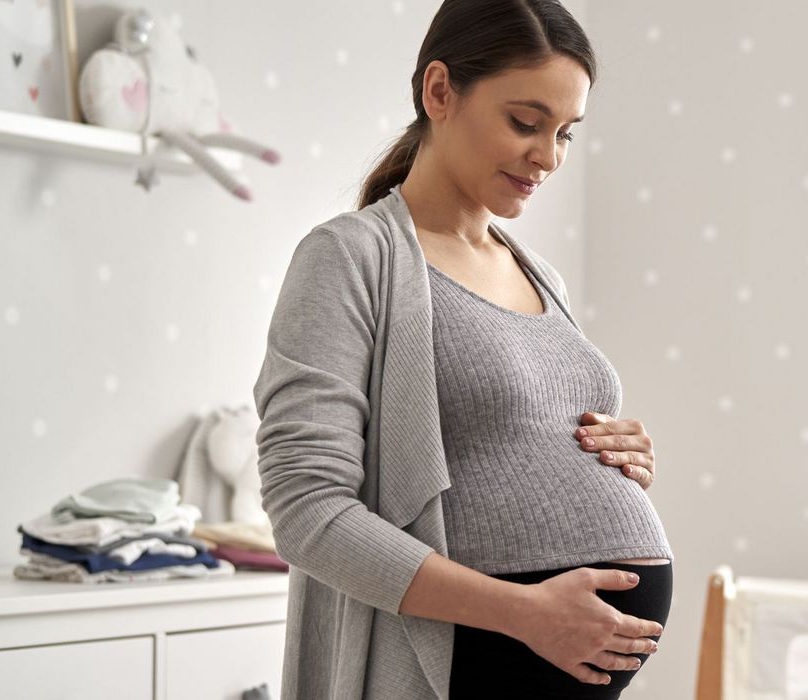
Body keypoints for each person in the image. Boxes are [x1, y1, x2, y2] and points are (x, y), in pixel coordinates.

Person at [252, 1, 673, 697]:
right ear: (440, 91)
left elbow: (504, 444)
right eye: (525, 123)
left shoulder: (541, 273)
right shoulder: (349, 259)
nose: (550, 156)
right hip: (468, 662)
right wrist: (525, 615)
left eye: (566, 132)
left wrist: (618, 459)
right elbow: (307, 511)